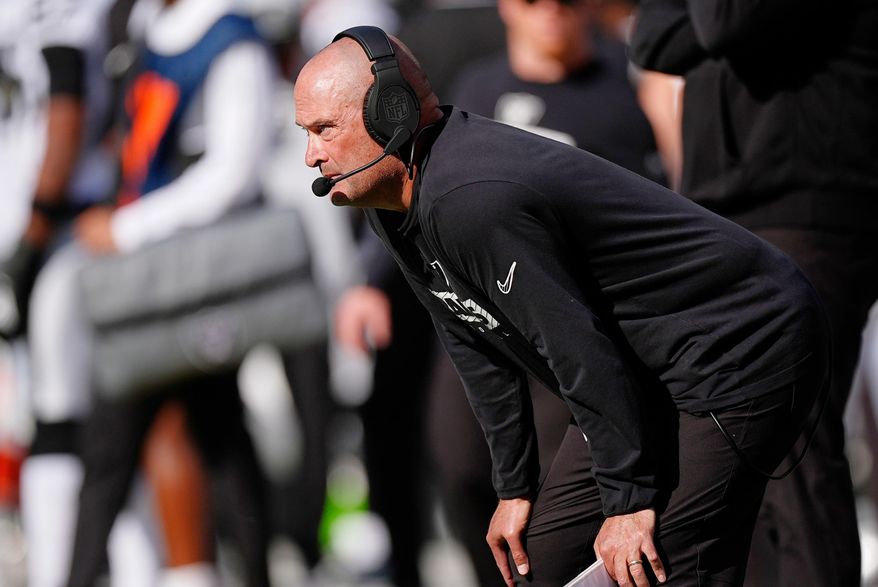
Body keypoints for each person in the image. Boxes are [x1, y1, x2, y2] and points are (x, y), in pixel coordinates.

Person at [293, 26, 831, 586]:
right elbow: (475, 341)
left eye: (324, 129)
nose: (311, 155)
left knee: (662, 566)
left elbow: (577, 349)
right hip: (646, 365)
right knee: (540, 570)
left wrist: (629, 502)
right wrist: (516, 486)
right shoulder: (394, 199)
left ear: (391, 112)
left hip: (740, 344)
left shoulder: (469, 200)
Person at [629, 3, 878, 585]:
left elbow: (723, 23)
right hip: (727, 213)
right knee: (740, 447)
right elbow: (651, 42)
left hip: (811, 210)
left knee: (794, 444)